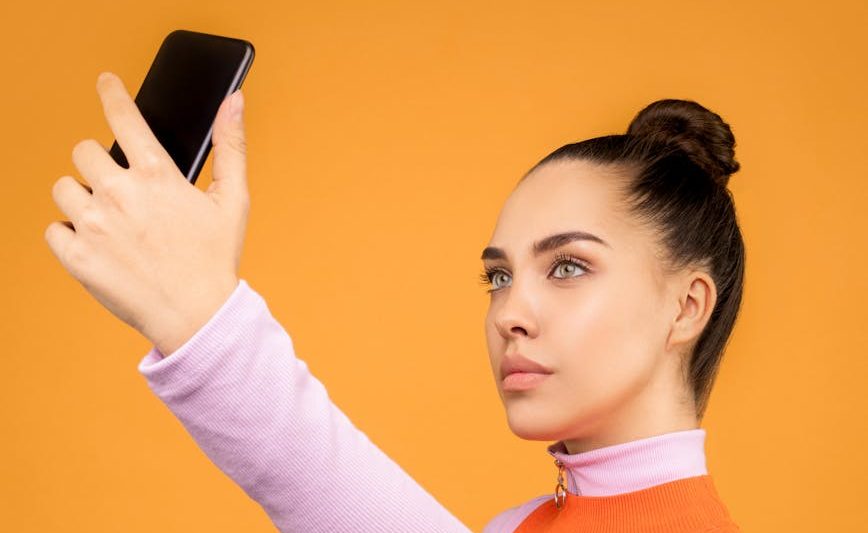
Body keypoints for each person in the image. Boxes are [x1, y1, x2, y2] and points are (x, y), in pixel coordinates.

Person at [45, 72, 744, 532]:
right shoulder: (528, 521)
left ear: (686, 307)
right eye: (497, 277)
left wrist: (206, 318)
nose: (511, 312)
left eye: (567, 265)